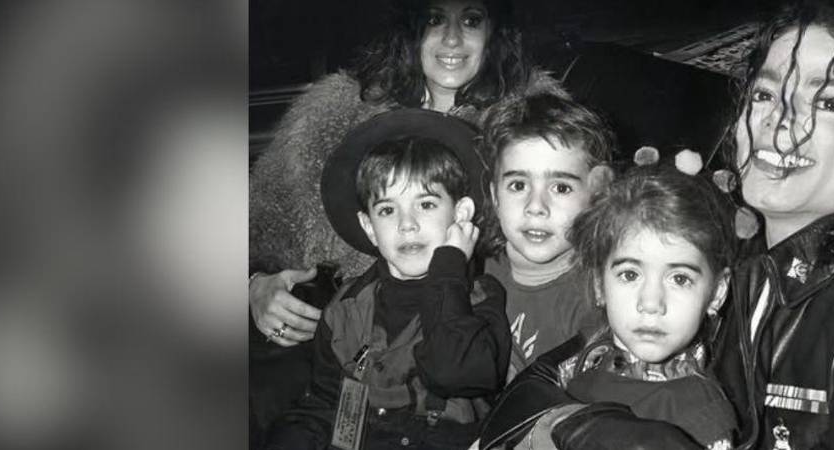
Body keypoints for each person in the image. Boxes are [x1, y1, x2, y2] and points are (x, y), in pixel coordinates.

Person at [496, 1, 834, 448]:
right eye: (765, 95)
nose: (781, 121)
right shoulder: (721, 268)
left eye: (826, 103)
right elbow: (532, 389)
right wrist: (584, 427)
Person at [249, 0, 562, 348]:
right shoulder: (329, 117)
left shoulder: (538, 123)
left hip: (474, 346)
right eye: (434, 19)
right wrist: (256, 285)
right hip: (338, 346)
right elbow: (254, 228)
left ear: (496, 30)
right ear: (407, 26)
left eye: (471, 20)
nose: (453, 40)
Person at [265, 110, 510, 450]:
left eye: (425, 204)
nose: (406, 224)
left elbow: (457, 373)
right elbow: (326, 403)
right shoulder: (346, 308)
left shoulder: (480, 298)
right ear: (369, 227)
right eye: (387, 210)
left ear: (461, 214)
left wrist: (450, 268)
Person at [480, 163, 740, 449]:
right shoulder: (580, 364)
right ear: (599, 285)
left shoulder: (700, 417)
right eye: (630, 275)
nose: (651, 303)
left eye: (679, 279)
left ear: (716, 292)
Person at [474, 92, 616, 379]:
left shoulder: (595, 307)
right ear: (494, 195)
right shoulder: (470, 264)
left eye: (561, 188)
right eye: (517, 185)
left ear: (597, 197)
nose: (535, 207)